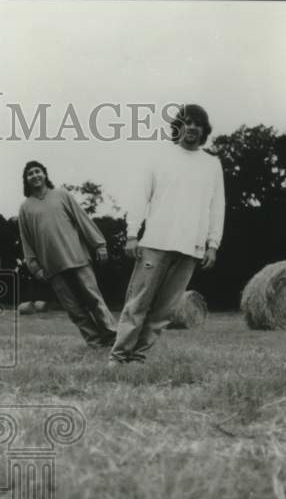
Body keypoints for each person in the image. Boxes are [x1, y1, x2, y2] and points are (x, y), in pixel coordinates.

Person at [108, 103, 225, 366]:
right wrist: (131, 234)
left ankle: (139, 357)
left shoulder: (212, 164)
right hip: (156, 242)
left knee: (164, 310)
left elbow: (217, 207)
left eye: (197, 123)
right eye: (187, 122)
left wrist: (213, 244)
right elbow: (140, 197)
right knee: (138, 303)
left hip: (190, 248)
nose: (192, 127)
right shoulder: (159, 158)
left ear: (203, 129)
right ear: (178, 127)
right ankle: (118, 357)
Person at [17, 161, 117, 348]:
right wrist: (35, 267)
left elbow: (83, 219)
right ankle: (95, 342)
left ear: (45, 174)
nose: (35, 175)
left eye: (38, 171)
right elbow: (26, 240)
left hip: (77, 258)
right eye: (30, 174)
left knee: (95, 300)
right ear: (26, 180)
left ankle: (112, 336)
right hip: (51, 267)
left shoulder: (62, 195)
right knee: (74, 309)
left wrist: (99, 245)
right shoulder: (25, 208)